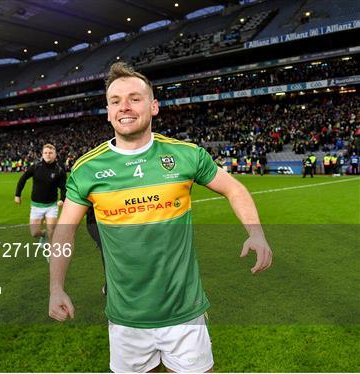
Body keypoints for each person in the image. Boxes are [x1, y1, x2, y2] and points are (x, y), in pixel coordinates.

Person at [48, 62, 273, 373]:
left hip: (185, 313)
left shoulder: (185, 155)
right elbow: (64, 232)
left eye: (134, 98)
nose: (124, 107)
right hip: (126, 319)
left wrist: (256, 232)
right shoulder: (87, 169)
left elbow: (234, 189)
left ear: (153, 106)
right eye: (115, 101)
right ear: (108, 110)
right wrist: (56, 288)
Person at [14, 144, 66, 245]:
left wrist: (62, 199)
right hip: (36, 206)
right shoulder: (36, 167)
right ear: (42, 154)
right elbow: (23, 178)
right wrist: (17, 194)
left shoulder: (59, 170)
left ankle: (52, 253)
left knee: (52, 231)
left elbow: (63, 187)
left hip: (52, 206)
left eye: (50, 153)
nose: (48, 155)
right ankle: (43, 235)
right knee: (34, 233)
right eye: (45, 153)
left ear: (55, 155)